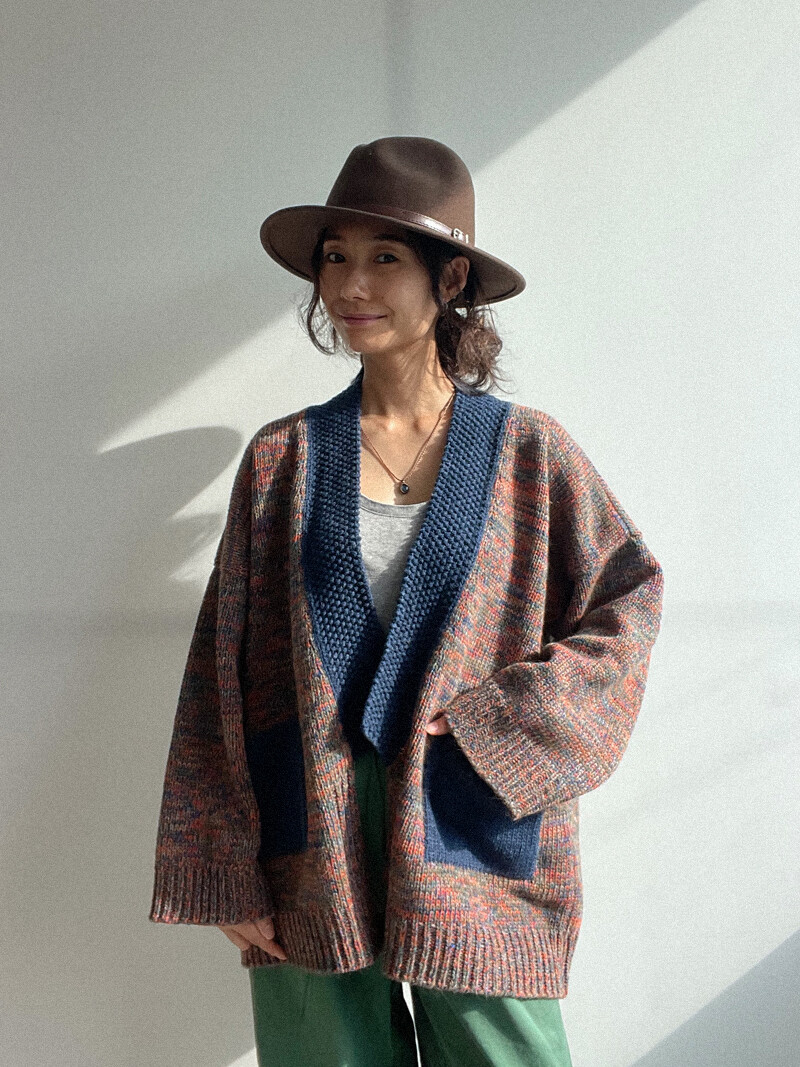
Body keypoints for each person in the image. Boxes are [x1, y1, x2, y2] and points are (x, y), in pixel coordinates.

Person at [149, 137, 664, 1066]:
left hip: (473, 819)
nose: (351, 284)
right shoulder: (283, 459)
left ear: (449, 277)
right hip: (310, 833)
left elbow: (628, 600)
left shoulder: (530, 452)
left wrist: (500, 731)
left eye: (385, 257)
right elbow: (217, 674)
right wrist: (226, 863)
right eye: (335, 256)